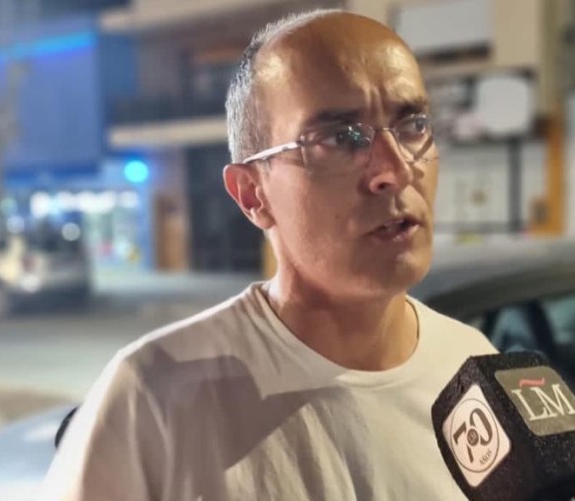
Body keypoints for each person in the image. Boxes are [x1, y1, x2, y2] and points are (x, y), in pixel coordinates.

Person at [40, 9, 496, 500]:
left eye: (412, 125)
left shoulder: (472, 366)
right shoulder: (151, 397)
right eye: (341, 138)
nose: (397, 169)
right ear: (252, 194)